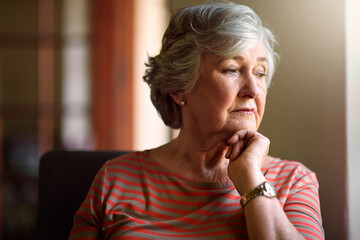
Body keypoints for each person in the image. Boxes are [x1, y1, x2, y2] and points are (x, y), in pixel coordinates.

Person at [69, 1, 324, 239]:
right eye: (231, 69)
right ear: (179, 88)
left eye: (260, 72)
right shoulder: (116, 179)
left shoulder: (294, 181)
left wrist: (251, 179)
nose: (253, 90)